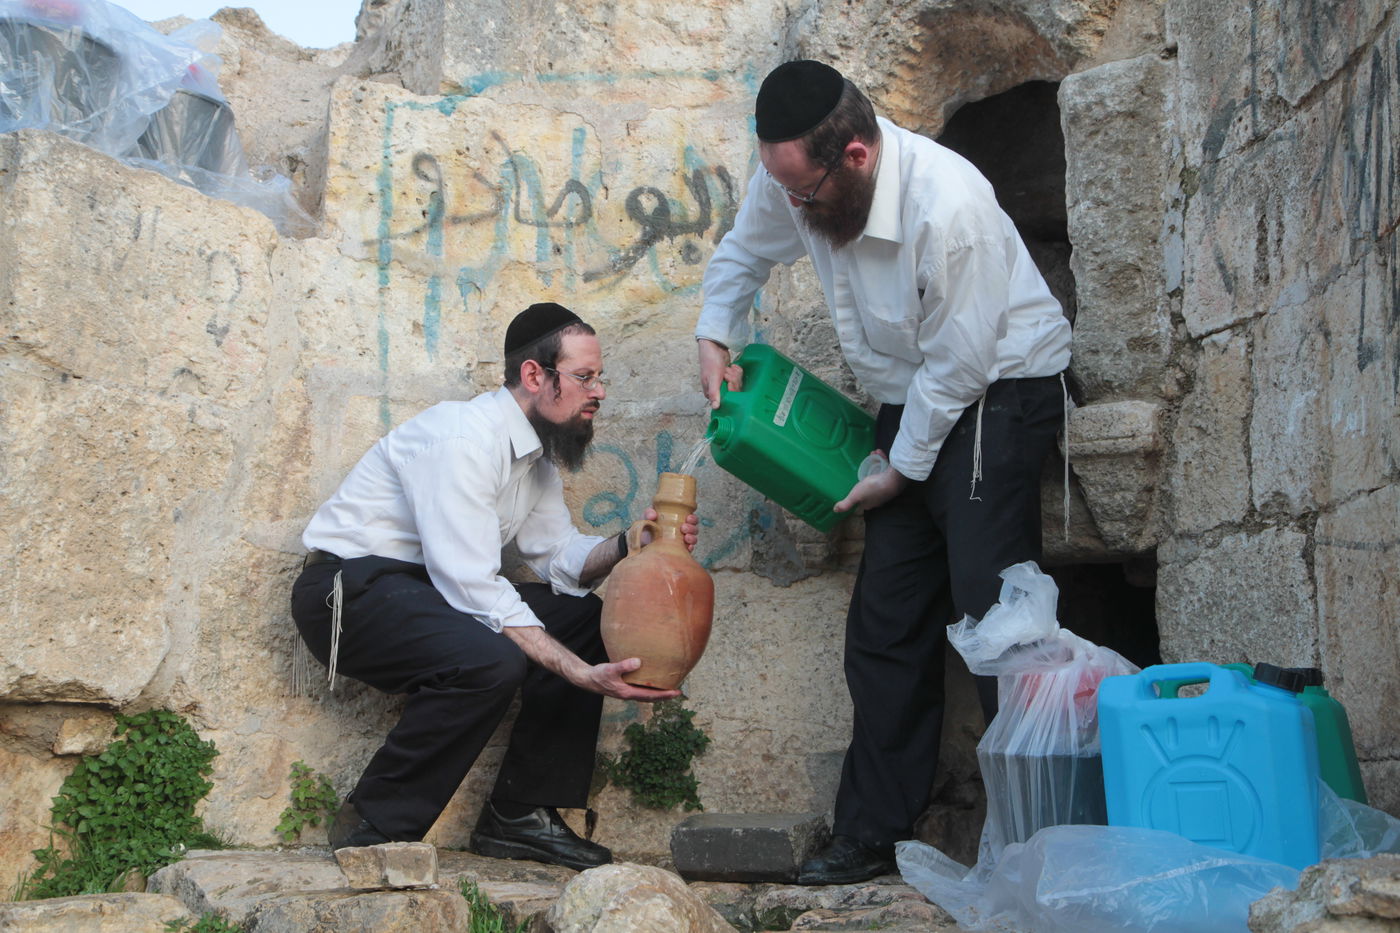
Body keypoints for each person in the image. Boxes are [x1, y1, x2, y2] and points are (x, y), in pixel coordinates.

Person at [695, 60, 1072, 884]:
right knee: (883, 620)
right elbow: (743, 252)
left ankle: (1040, 836)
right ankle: (873, 832)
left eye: (802, 193)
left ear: (856, 157)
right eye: (781, 188)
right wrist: (714, 330)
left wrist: (899, 470)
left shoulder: (952, 206)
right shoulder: (794, 179)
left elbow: (962, 366)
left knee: (994, 609)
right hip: (912, 392)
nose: (790, 207)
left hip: (998, 386)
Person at [292, 301, 695, 869]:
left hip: (424, 589)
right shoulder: (462, 440)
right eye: (584, 377)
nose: (599, 391)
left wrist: (632, 544)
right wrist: (577, 672)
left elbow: (560, 558)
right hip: (349, 593)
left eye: (599, 378)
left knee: (580, 619)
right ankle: (374, 825)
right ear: (536, 376)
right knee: (488, 660)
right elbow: (474, 587)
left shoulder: (536, 460)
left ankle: (521, 815)